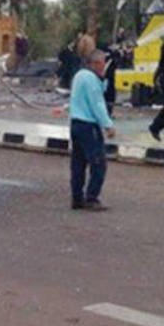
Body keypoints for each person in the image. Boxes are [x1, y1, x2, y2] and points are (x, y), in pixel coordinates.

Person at [69, 49, 116, 211]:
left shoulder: (79, 76)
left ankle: (77, 197)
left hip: (76, 123)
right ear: (95, 63)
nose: (104, 67)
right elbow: (97, 104)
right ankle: (92, 197)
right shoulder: (91, 80)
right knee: (98, 163)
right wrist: (108, 125)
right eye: (103, 63)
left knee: (78, 163)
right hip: (89, 125)